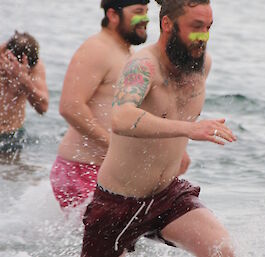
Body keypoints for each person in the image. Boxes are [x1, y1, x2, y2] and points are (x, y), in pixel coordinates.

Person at [81, 0, 237, 256]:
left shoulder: (202, 65)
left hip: (168, 195)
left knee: (223, 252)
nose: (204, 36)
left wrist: (177, 149)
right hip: (118, 202)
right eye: (196, 27)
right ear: (167, 24)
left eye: (209, 27)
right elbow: (121, 117)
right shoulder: (142, 66)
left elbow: (172, 111)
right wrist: (187, 130)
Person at [50, 0, 151, 209]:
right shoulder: (96, 49)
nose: (146, 18)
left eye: (147, 12)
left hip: (106, 171)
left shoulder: (127, 54)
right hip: (80, 170)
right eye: (139, 12)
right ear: (113, 15)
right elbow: (70, 106)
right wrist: (115, 147)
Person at [0, 31, 48, 153]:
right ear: (7, 55)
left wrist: (25, 81)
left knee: (15, 171)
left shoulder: (34, 67)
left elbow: (42, 108)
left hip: (12, 135)